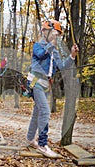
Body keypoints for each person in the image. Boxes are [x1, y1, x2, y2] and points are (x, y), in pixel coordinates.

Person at [26, 19, 79, 157]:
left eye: (58, 35)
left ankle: (30, 138)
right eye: (54, 33)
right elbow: (40, 54)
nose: (56, 36)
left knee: (38, 112)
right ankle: (43, 144)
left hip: (44, 84)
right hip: (35, 81)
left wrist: (72, 56)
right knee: (45, 111)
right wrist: (51, 45)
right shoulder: (38, 45)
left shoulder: (54, 50)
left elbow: (61, 66)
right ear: (45, 32)